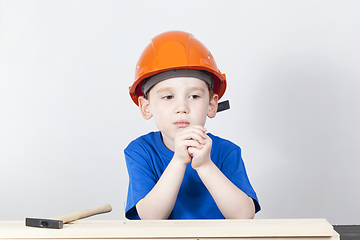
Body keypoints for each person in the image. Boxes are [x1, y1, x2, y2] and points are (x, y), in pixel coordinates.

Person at [125, 30, 260, 220]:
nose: (182, 107)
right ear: (146, 107)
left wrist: (205, 165)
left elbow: (244, 216)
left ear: (211, 105)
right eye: (168, 97)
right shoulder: (141, 151)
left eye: (194, 96)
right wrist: (179, 161)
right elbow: (150, 218)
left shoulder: (226, 152)